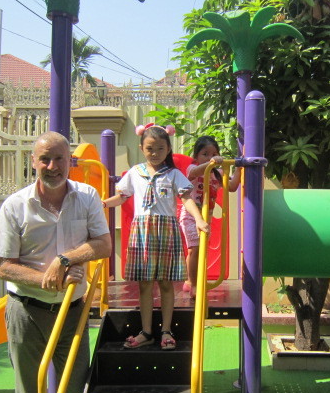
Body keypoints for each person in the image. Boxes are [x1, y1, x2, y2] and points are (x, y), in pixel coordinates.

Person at [0, 131, 111, 393]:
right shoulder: (15, 206)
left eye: (58, 158)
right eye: (44, 158)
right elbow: (5, 266)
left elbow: (103, 244)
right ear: (33, 162)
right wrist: (46, 277)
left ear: (70, 162)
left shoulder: (87, 197)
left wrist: (66, 259)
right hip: (26, 313)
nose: (52, 166)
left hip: (72, 312)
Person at [102, 123, 209, 350]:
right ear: (142, 148)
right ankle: (147, 331)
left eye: (160, 148)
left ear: (168, 149)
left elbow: (187, 199)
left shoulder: (173, 174)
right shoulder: (135, 173)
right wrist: (102, 204)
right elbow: (121, 197)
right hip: (142, 232)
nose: (155, 153)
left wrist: (199, 219)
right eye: (150, 148)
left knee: (166, 283)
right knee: (145, 284)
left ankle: (166, 330)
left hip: (166, 230)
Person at [179, 135, 242, 296]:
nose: (209, 157)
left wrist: (239, 167)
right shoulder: (192, 169)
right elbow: (196, 171)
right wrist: (212, 163)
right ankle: (193, 284)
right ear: (196, 156)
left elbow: (233, 186)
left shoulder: (217, 173)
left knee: (201, 251)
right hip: (190, 216)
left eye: (213, 153)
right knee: (194, 249)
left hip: (206, 218)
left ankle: (191, 281)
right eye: (205, 154)